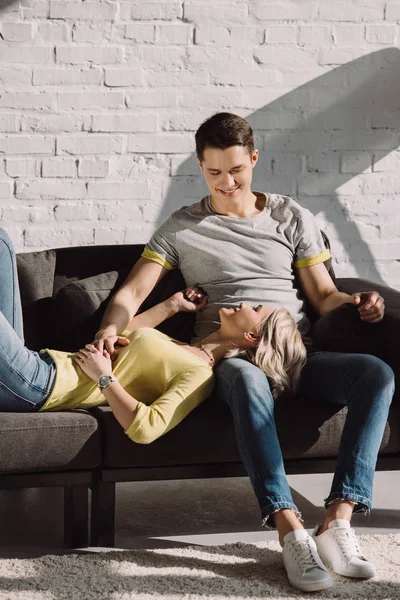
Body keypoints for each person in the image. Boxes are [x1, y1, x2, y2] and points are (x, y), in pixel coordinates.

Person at [92, 112, 394, 592]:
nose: (226, 182)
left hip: (297, 351)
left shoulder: (290, 215)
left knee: (375, 374)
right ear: (200, 165)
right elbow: (131, 293)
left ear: (254, 158)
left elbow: (323, 296)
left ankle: (338, 519)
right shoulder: (182, 227)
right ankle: (288, 528)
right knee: (250, 379)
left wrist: (360, 303)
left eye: (236, 170)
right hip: (229, 358)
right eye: (213, 172)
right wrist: (111, 326)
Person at [0, 227, 306, 447]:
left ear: (252, 335)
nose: (242, 303)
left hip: (37, 385)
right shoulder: (184, 348)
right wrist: (173, 305)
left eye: (254, 308)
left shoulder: (199, 377)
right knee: (2, 243)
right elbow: (125, 332)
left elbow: (146, 428)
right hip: (36, 363)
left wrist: (105, 378)